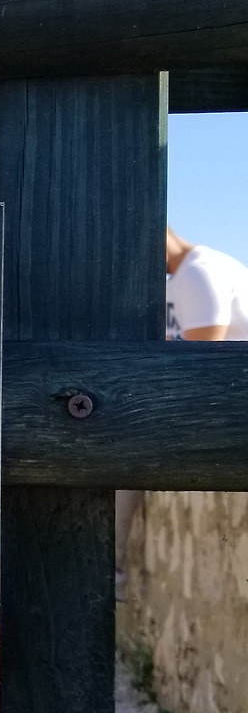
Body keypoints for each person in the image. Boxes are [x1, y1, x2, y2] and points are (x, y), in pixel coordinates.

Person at [117, 227, 248, 596]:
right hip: (217, 401)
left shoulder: (199, 271)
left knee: (119, 440)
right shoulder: (183, 276)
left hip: (228, 403)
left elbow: (201, 363)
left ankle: (111, 572)